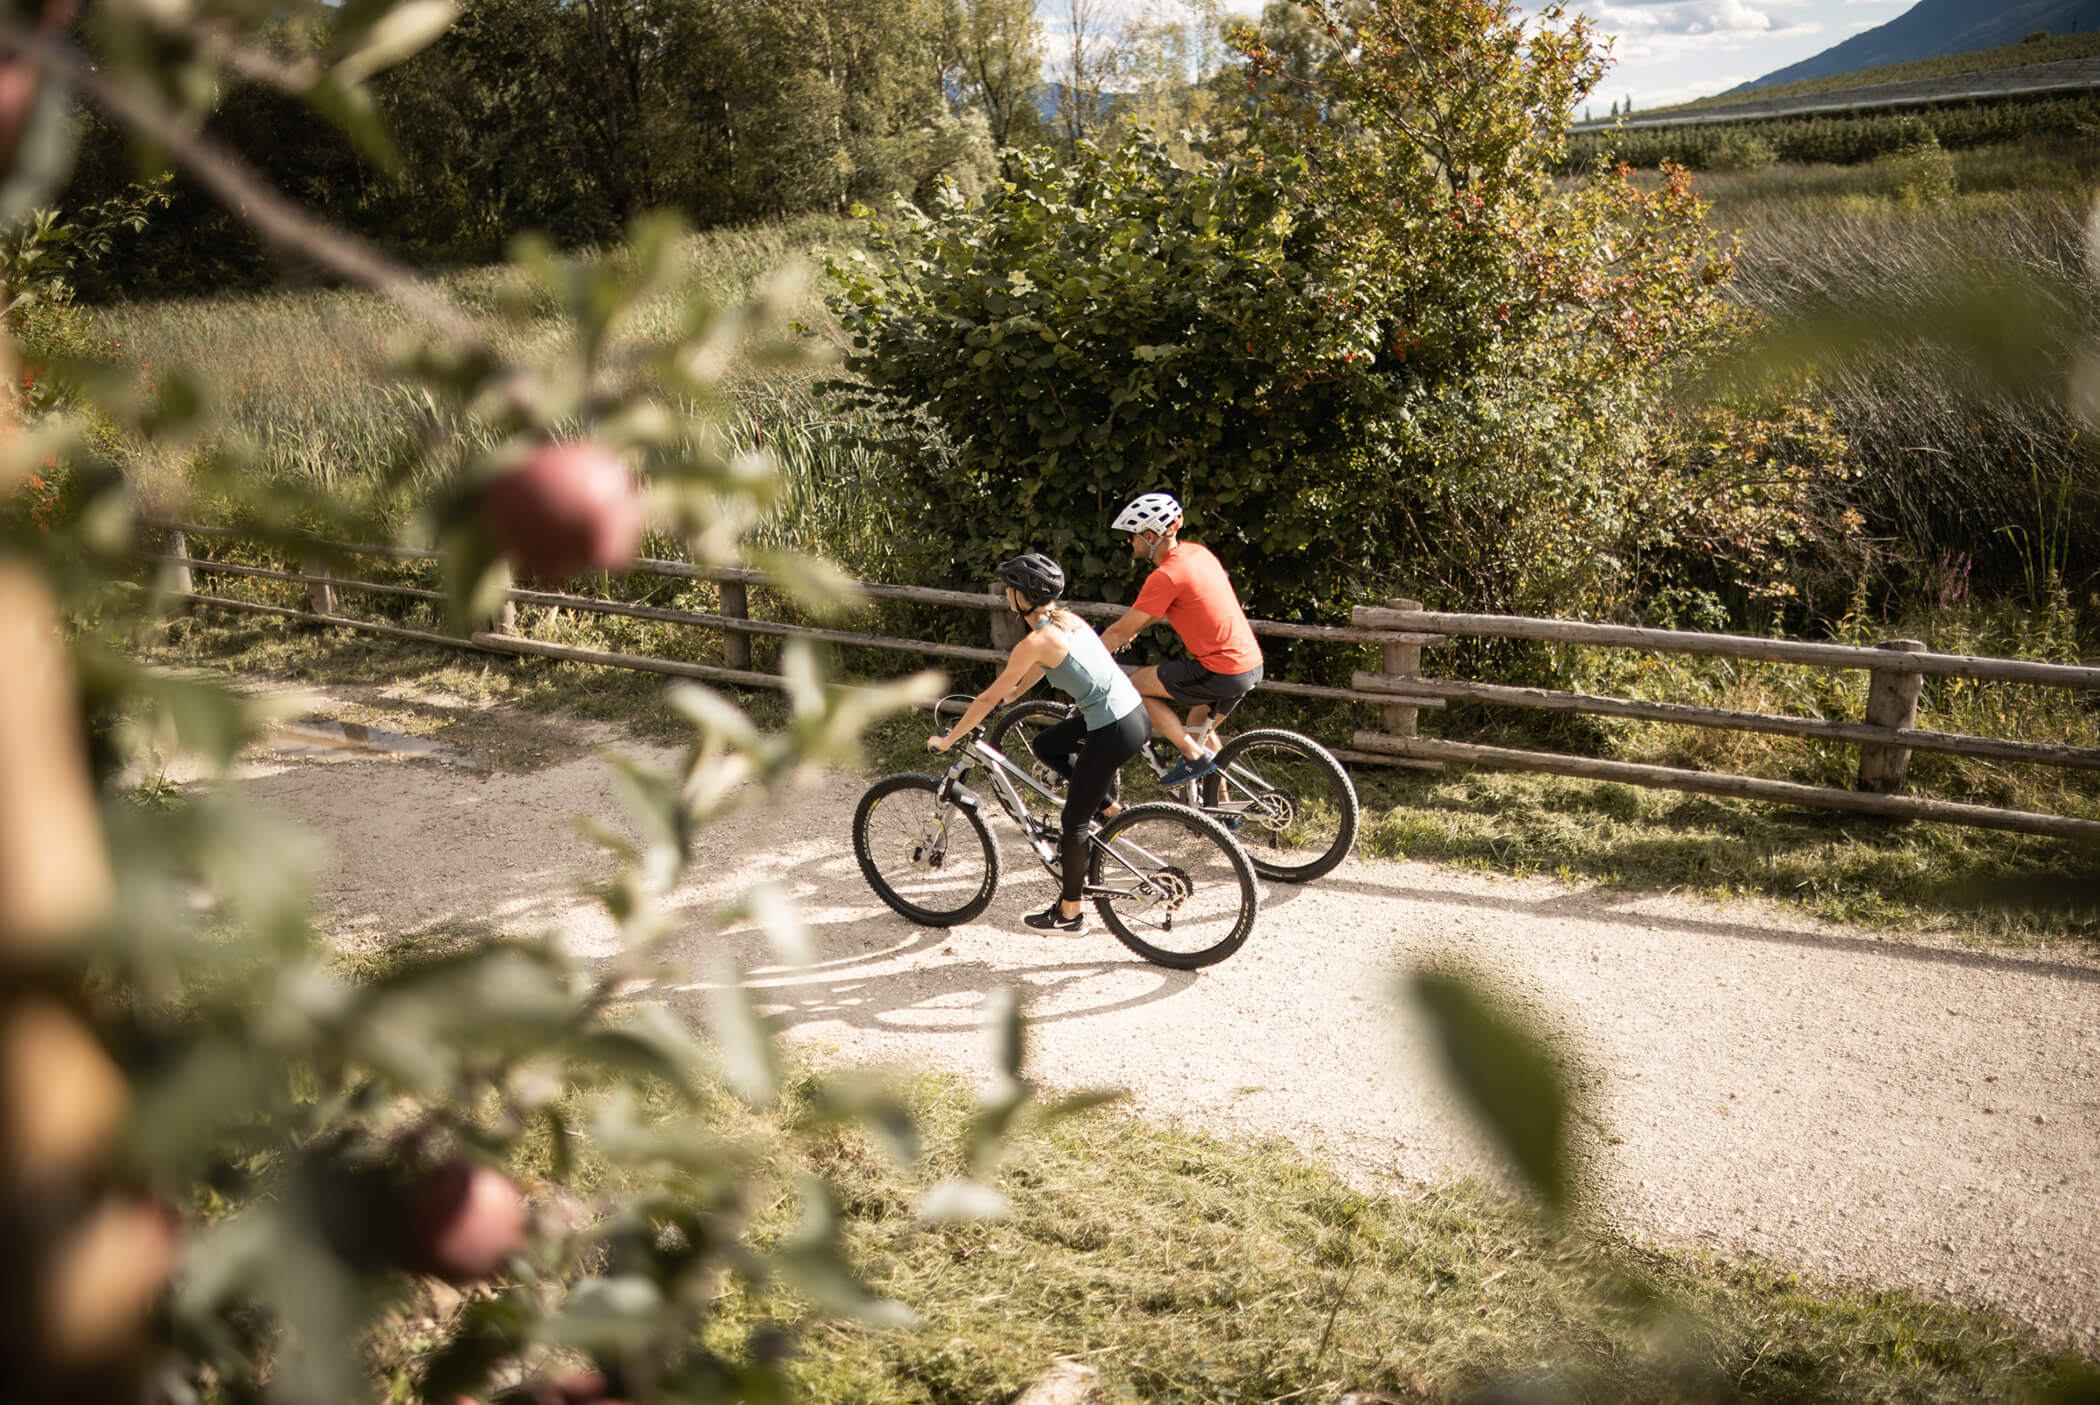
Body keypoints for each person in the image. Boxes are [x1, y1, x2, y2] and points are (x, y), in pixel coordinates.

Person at [927, 552, 1147, 934]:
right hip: (1132, 715)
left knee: (1073, 822)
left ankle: (1070, 913)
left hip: (1111, 728)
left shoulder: (1036, 640)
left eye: (1010, 589)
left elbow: (983, 701)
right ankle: (1109, 809)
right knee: (1047, 745)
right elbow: (1042, 667)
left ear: (1022, 597)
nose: (1006, 595)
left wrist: (948, 740)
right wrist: (1014, 693)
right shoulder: (1068, 621)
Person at [1099, 492, 1263, 787]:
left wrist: (1087, 658)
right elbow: (1151, 613)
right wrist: (1134, 630)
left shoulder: (1166, 575)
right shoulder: (1197, 554)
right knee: (1199, 724)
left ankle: (1193, 757)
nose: (1130, 542)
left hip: (1221, 670)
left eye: (1133, 536)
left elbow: (1118, 632)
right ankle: (1221, 810)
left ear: (1150, 535)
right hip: (1249, 664)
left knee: (1133, 687)